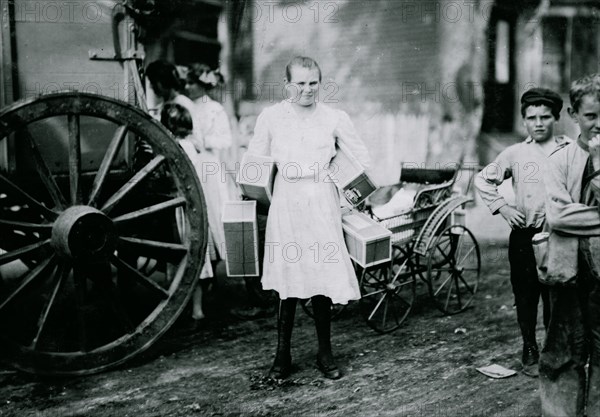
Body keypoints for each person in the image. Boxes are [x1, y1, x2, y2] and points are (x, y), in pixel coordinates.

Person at [243, 56, 371, 380]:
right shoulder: (271, 117)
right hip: (286, 200)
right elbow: (254, 160)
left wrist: (348, 189)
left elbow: (361, 156)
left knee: (321, 277)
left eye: (313, 83)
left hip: (321, 199)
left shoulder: (333, 117)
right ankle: (282, 356)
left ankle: (325, 353)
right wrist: (254, 191)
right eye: (300, 83)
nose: (307, 90)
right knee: (288, 281)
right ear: (287, 85)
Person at [475, 88, 569, 377]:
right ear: (524, 121)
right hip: (525, 236)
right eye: (531, 118)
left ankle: (555, 351)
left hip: (560, 235)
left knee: (557, 295)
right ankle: (529, 346)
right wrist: (503, 208)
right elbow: (483, 179)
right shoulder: (515, 153)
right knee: (526, 294)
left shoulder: (569, 150)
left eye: (545, 117)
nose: (538, 123)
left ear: (556, 117)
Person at [540, 74, 600, 417]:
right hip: (566, 272)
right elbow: (559, 218)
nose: (599, 123)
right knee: (563, 353)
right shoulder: (559, 161)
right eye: (591, 115)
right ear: (575, 115)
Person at [160, 102, 214, 307]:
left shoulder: (178, 148)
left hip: (183, 208)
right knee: (193, 255)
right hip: (193, 206)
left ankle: (191, 308)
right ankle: (195, 309)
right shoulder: (191, 145)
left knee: (186, 254)